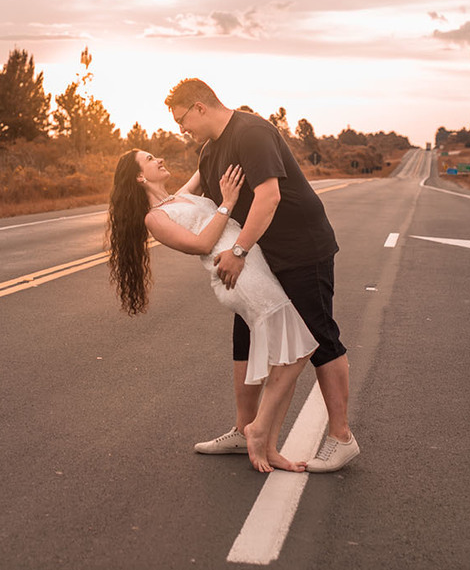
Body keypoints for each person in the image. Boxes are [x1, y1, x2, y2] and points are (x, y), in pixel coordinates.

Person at [164, 78, 359, 473]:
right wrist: (149, 204)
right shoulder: (209, 151)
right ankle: (243, 429)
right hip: (263, 258)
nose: (181, 129)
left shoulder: (251, 132)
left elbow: (268, 196)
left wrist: (238, 252)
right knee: (246, 334)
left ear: (200, 107)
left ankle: (341, 438)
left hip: (303, 249)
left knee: (320, 336)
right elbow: (191, 201)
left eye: (182, 119)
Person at [107, 149, 318, 473]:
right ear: (139, 177)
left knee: (285, 354)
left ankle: (270, 446)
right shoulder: (154, 218)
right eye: (150, 159)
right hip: (237, 275)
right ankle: (257, 429)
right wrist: (227, 202)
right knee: (299, 349)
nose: (160, 159)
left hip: (253, 264)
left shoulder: (181, 196)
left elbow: (203, 163)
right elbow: (202, 245)